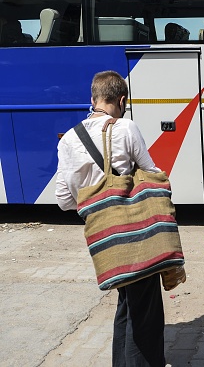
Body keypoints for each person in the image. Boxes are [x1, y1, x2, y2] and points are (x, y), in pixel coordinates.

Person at [55, 70, 166, 366]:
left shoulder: (68, 140)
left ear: (93, 99)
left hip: (102, 238)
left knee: (126, 303)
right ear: (121, 100)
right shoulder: (125, 128)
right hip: (134, 231)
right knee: (145, 311)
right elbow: (152, 174)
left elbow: (64, 200)